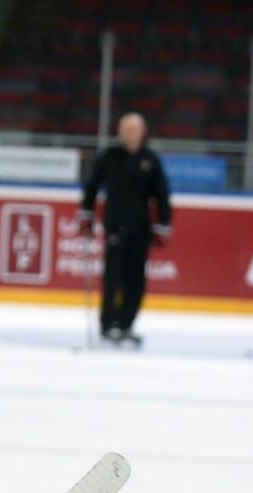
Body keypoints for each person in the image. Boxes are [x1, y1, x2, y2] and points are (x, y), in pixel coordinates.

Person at [77, 112, 172, 347]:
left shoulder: (150, 159)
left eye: (133, 129)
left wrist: (163, 224)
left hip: (141, 227)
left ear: (142, 132)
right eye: (125, 129)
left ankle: (126, 323)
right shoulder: (110, 156)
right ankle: (108, 323)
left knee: (136, 278)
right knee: (113, 275)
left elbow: (161, 193)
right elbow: (92, 185)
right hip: (115, 225)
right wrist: (86, 213)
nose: (129, 134)